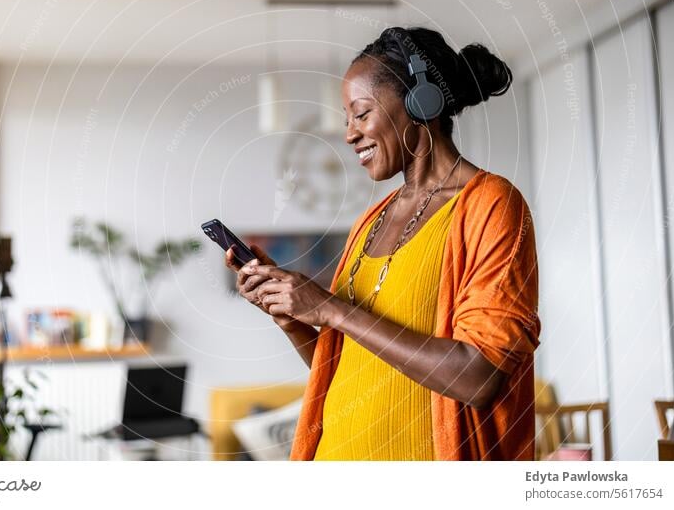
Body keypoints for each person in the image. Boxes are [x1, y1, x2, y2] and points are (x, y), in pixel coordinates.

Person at [225, 26, 540, 461]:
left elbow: (478, 378)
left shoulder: (491, 205)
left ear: (419, 102)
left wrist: (331, 308)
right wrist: (291, 317)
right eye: (346, 119)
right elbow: (348, 366)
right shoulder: (369, 222)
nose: (350, 134)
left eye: (361, 113)